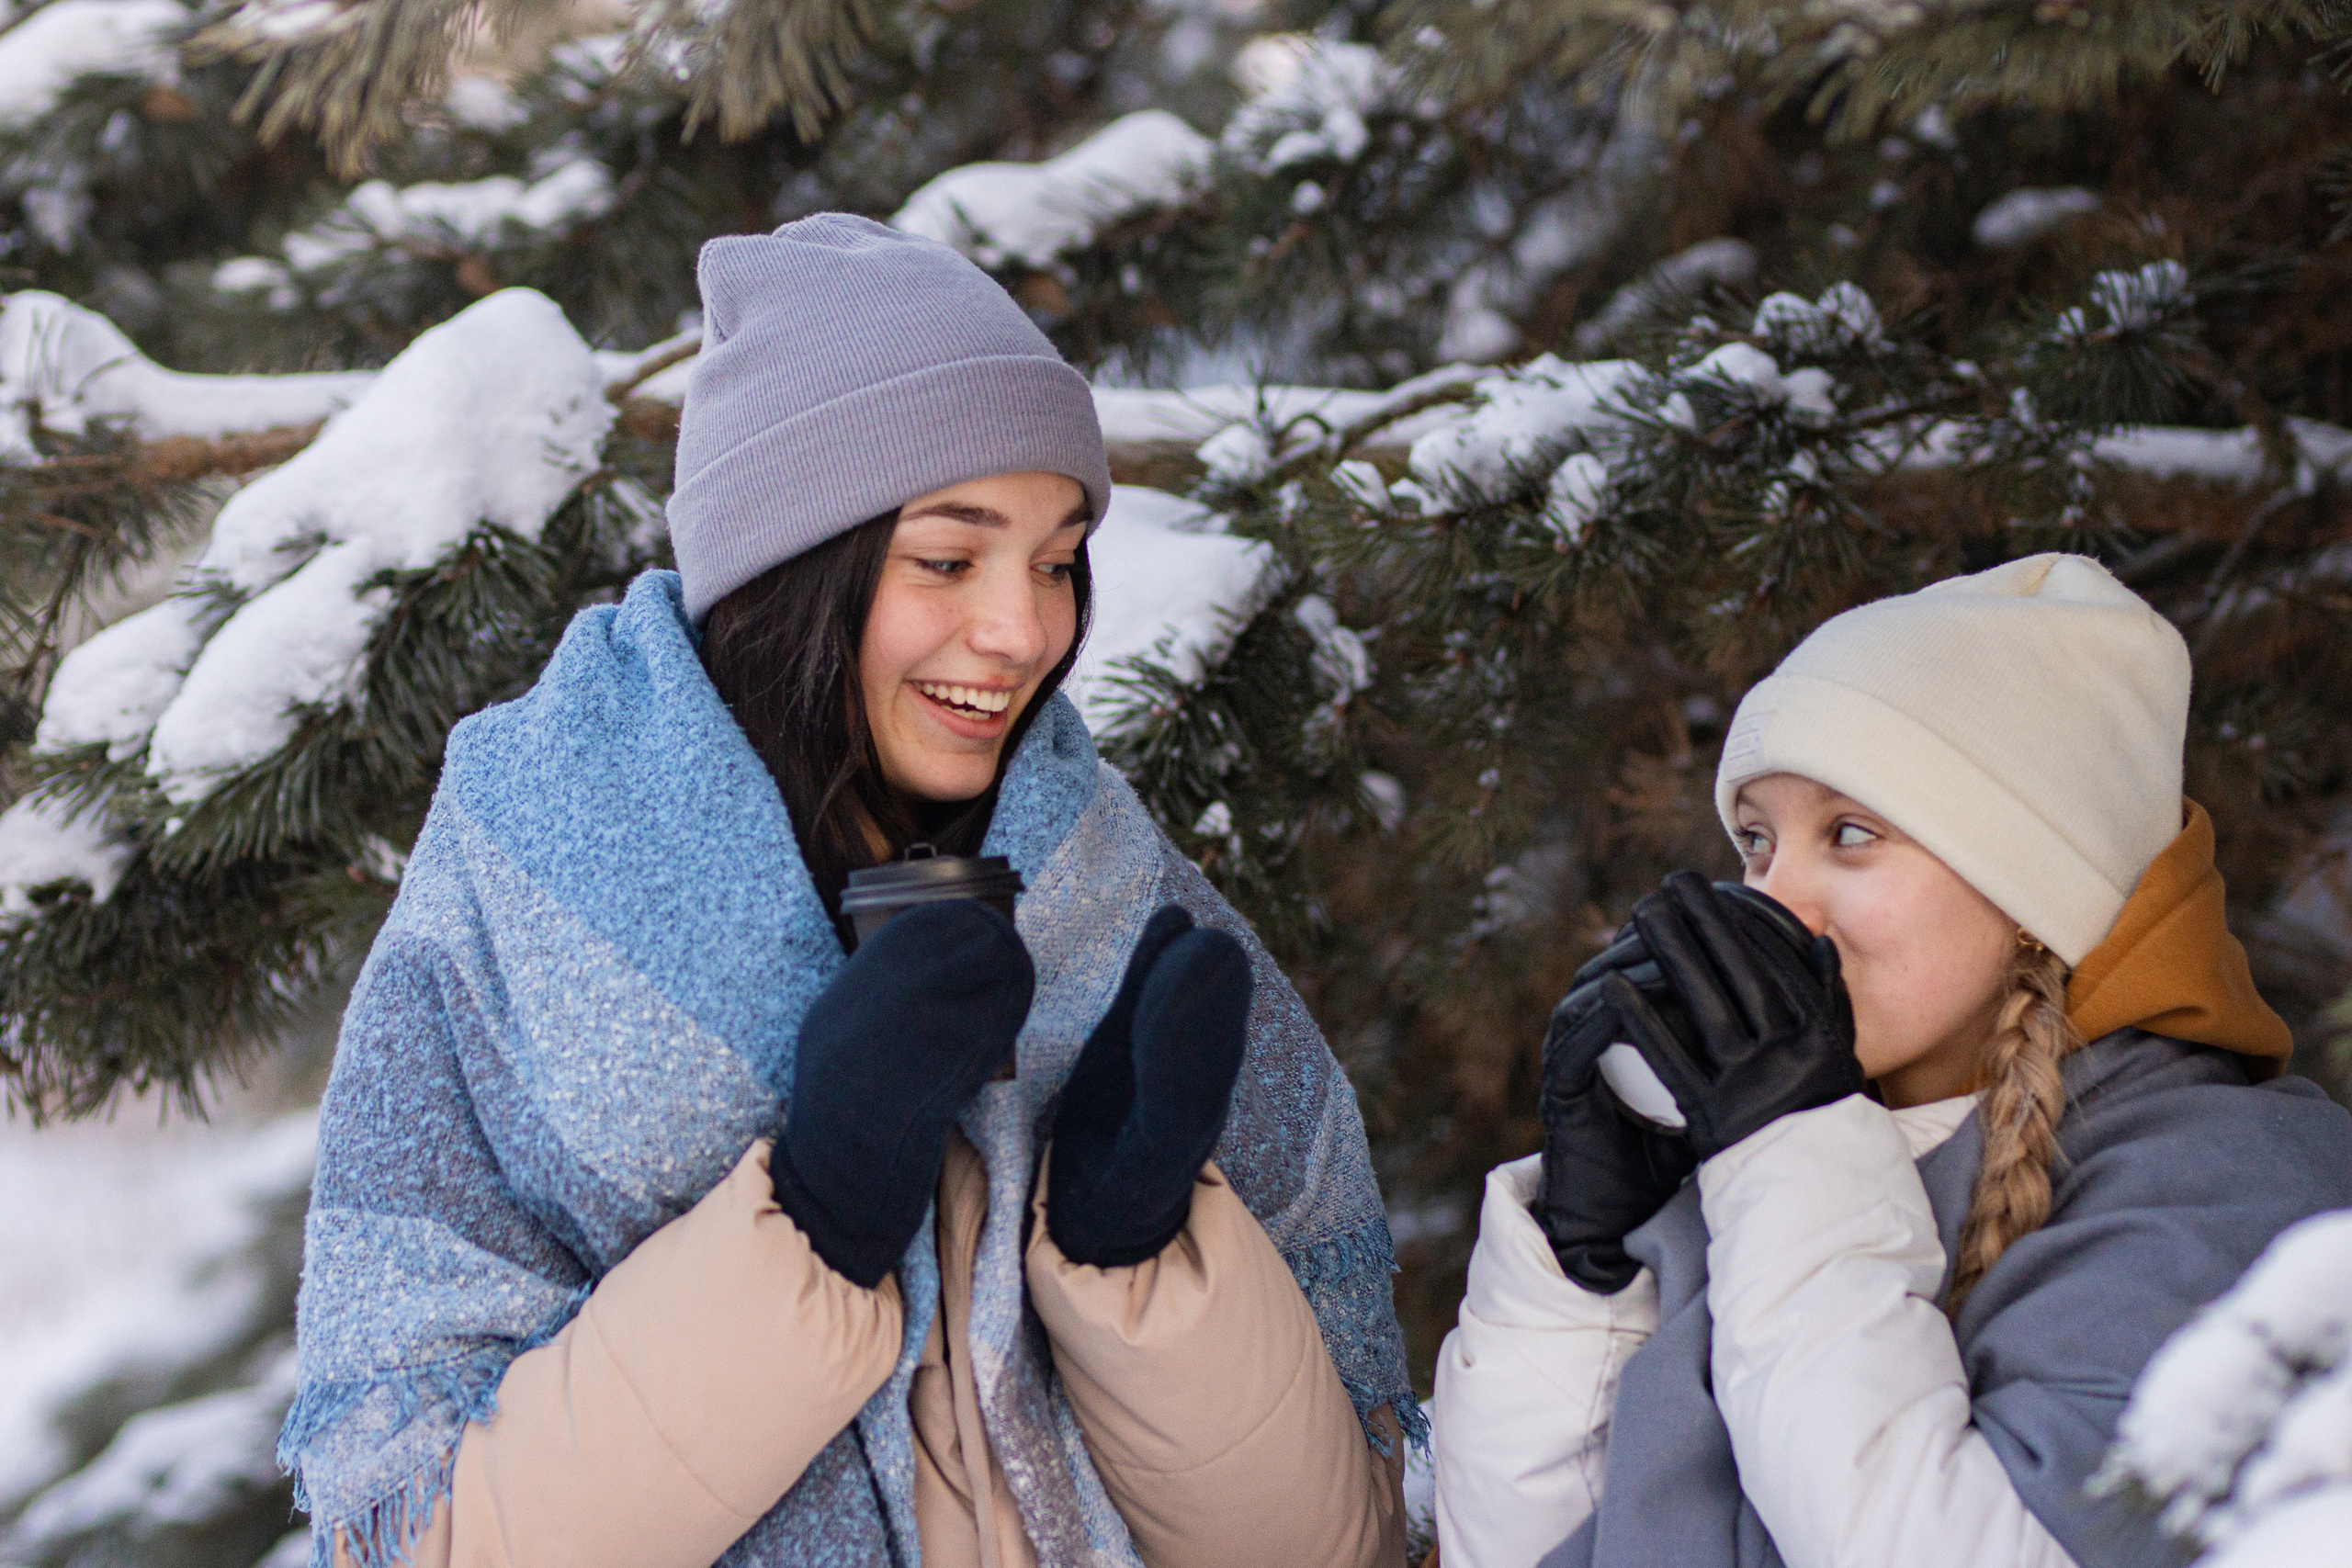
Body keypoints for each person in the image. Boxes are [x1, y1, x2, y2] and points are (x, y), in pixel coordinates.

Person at [279, 215, 1416, 1568]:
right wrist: (812, 1226)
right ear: (789, 569)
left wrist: (1138, 1257)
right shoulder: (527, 901)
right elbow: (426, 1537)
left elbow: (1339, 1542)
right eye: (949, 557)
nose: (1024, 628)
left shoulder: (1108, 894)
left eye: (1056, 559)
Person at [1430, 554, 2352, 1568]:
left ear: (2035, 877)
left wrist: (1794, 1149)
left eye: (1852, 832)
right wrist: (1580, 1268)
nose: (1776, 901)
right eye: (1755, 841)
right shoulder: (1775, 1164)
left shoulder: (2223, 1187)